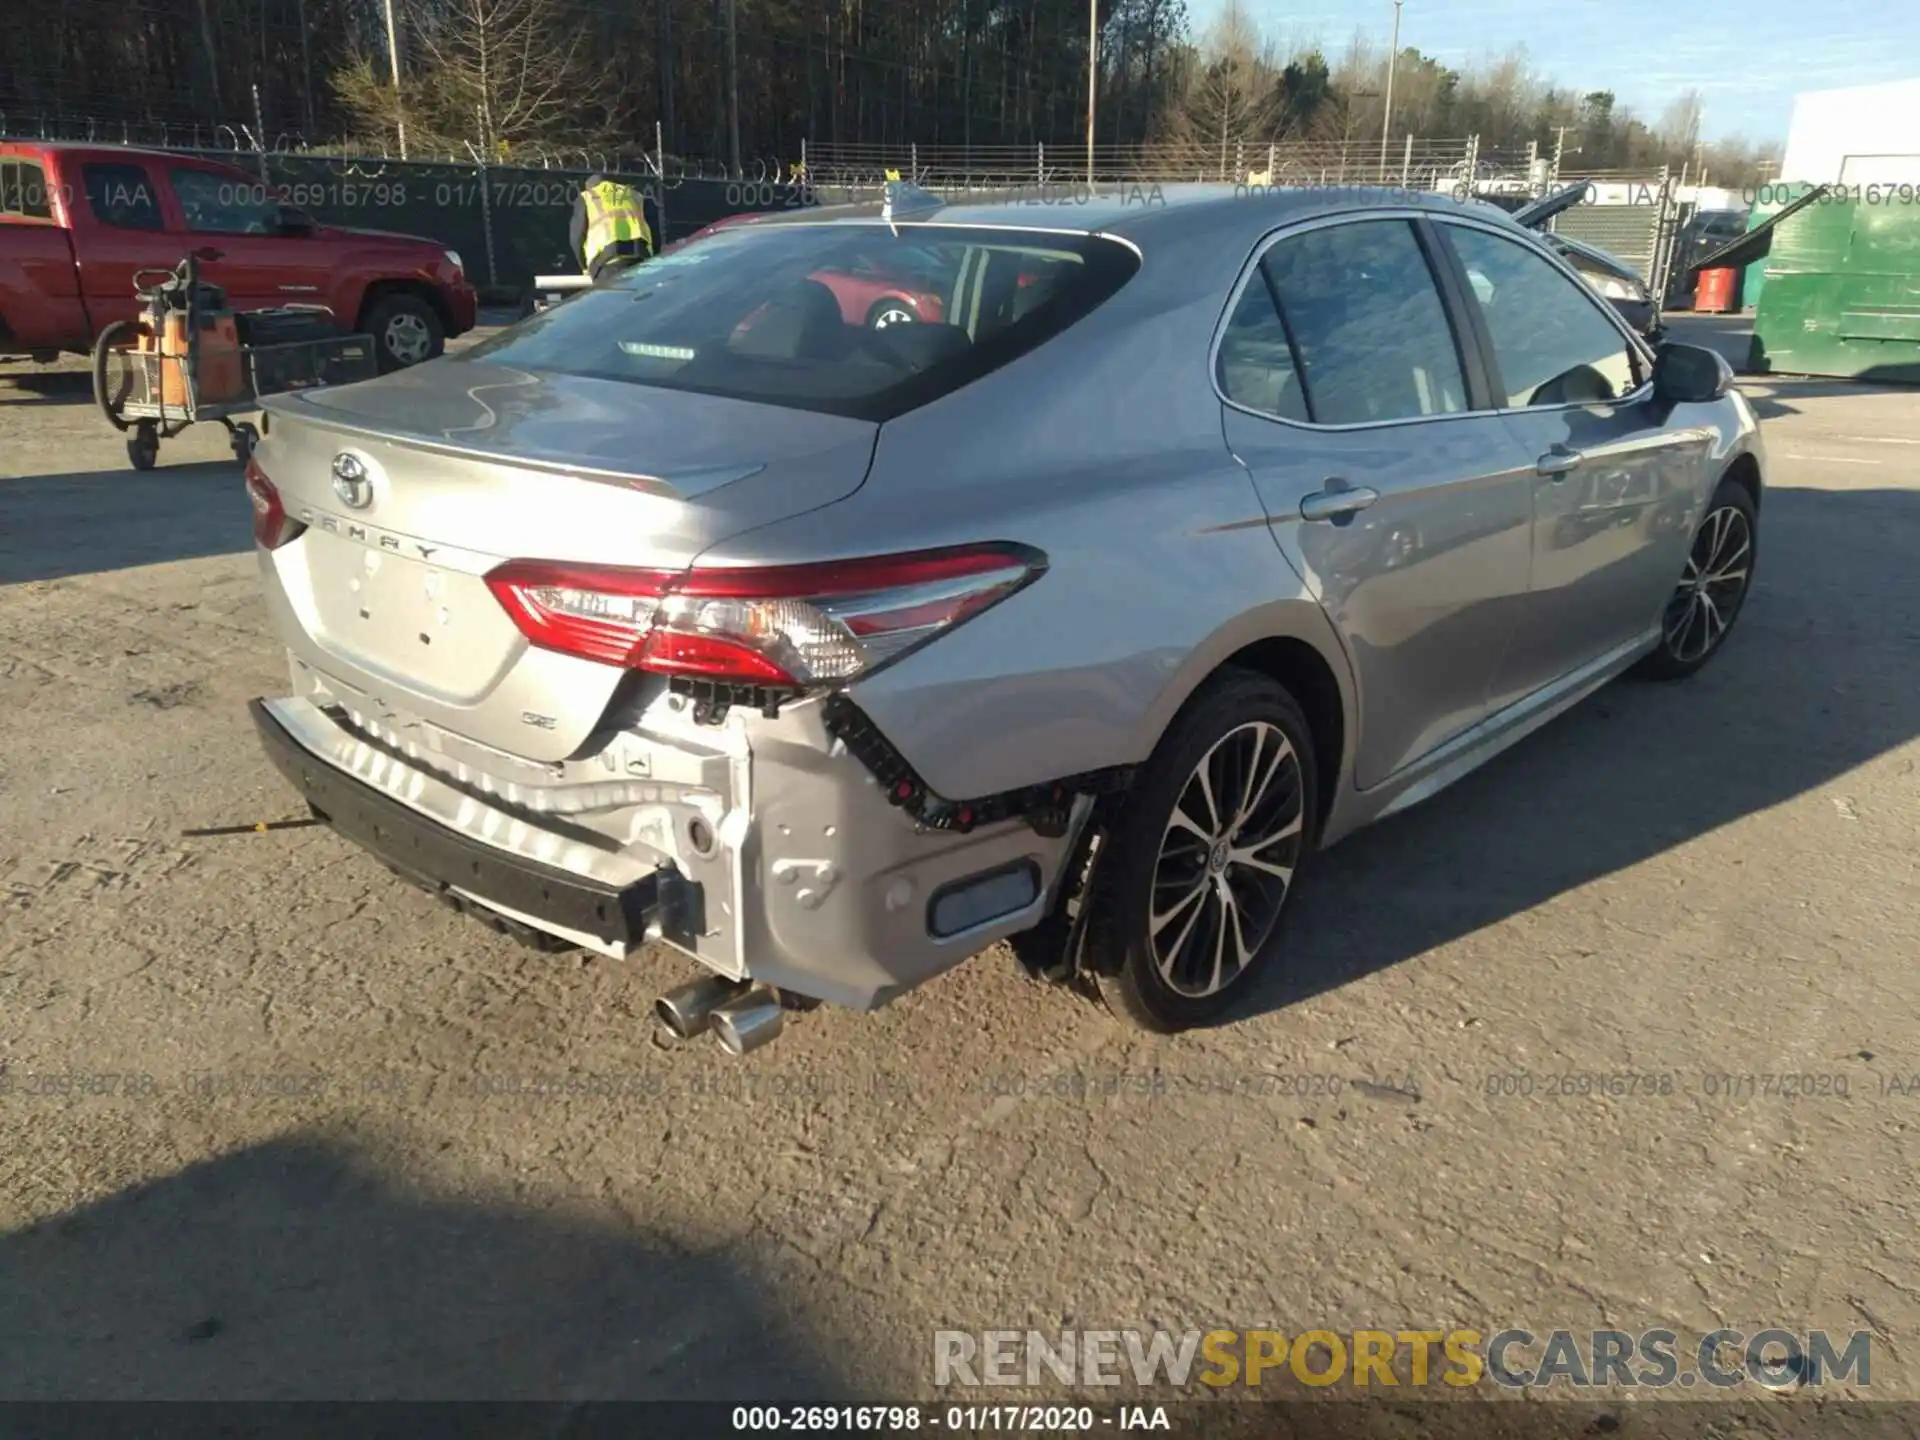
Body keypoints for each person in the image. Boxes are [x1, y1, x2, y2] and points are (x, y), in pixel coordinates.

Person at [569, 173, 658, 280]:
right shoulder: (635, 195)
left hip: (606, 261)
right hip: (641, 257)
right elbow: (655, 232)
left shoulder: (587, 197)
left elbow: (576, 238)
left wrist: (584, 267)